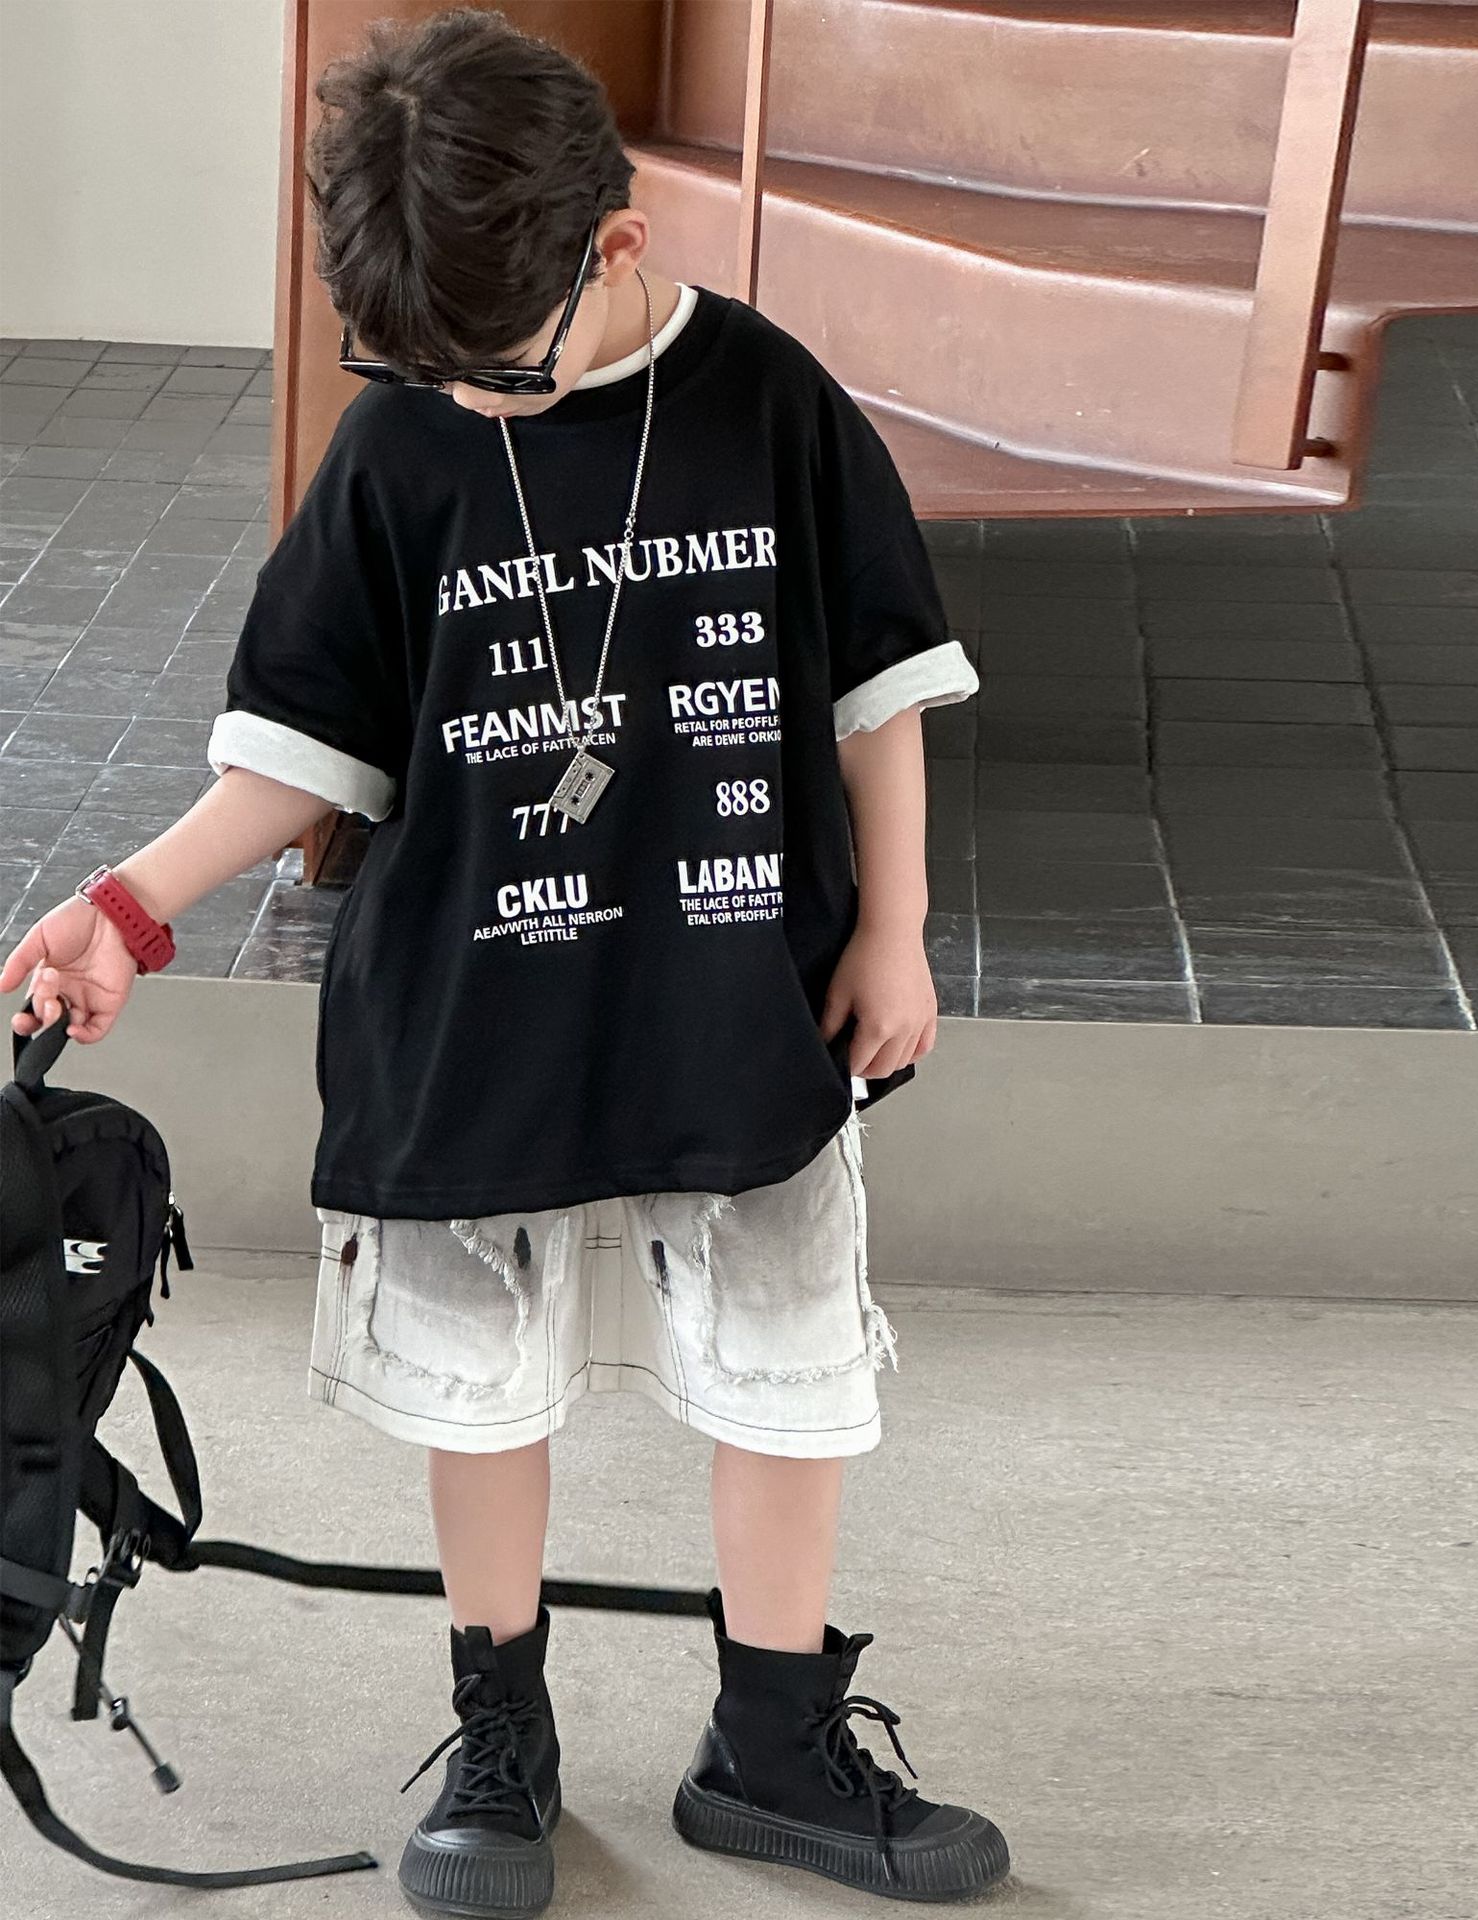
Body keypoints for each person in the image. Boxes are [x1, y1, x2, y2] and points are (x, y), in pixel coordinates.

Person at [0, 8, 1007, 1913]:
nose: (468, 400)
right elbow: (302, 743)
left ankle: (773, 1740)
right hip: (475, 1000)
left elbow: (879, 690)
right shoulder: (405, 439)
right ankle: (500, 1729)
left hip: (739, 986)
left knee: (784, 1353)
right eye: (428, 370)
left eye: (499, 366)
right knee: (483, 1378)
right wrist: (123, 906)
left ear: (616, 246)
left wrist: (896, 928)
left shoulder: (770, 403)